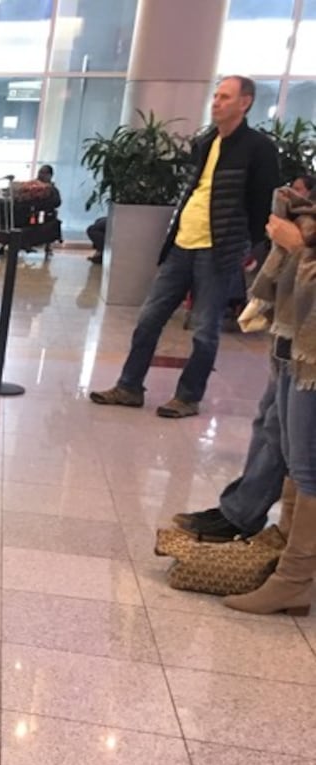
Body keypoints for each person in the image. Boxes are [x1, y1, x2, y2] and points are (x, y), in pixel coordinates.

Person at [91, 75, 280, 418]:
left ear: (245, 102)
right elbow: (193, 191)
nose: (216, 102)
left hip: (219, 248)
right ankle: (129, 386)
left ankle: (188, 396)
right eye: (216, 96)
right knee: (149, 318)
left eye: (225, 97)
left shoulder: (259, 148)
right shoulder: (206, 141)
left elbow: (262, 202)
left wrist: (251, 247)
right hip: (182, 243)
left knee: (205, 330)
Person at [222, 208, 316, 615]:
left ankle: (293, 580)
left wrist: (299, 246)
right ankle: (284, 557)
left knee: (308, 465)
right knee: (297, 460)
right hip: (298, 337)